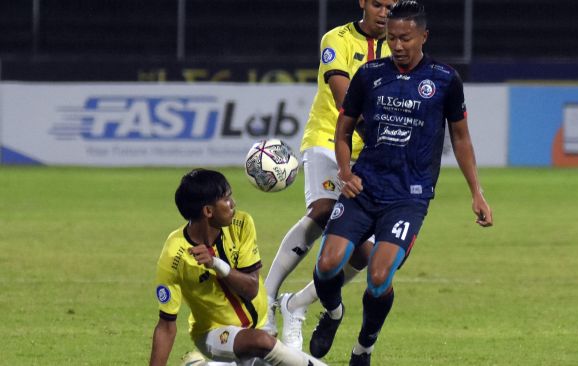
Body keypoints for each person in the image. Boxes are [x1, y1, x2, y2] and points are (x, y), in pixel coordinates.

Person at [309, 1, 493, 365]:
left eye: (405, 38)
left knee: (378, 277)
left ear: (423, 36)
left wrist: (477, 192)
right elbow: (343, 131)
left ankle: (364, 345)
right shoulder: (370, 74)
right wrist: (346, 174)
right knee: (328, 264)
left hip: (408, 197)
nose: (397, 45)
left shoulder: (444, 80)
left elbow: (460, 138)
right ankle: (332, 313)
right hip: (364, 186)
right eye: (392, 38)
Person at [262, 0, 398, 351]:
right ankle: (268, 298)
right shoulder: (336, 39)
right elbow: (344, 99)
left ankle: (299, 303)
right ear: (363, 3)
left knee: (364, 255)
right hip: (328, 136)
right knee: (322, 210)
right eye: (379, 4)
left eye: (392, 5)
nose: (385, 12)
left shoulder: (400, 45)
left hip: (369, 150)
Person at [149, 169, 327, 366]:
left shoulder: (241, 224)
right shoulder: (174, 255)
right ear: (208, 211)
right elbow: (166, 325)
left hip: (260, 324)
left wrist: (216, 264)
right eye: (226, 199)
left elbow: (251, 289)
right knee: (262, 343)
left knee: (262, 349)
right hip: (214, 333)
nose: (233, 204)